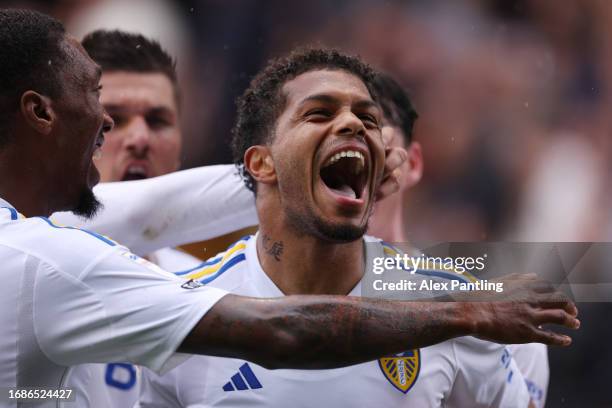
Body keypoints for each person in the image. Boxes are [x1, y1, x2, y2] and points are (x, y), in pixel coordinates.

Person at [0, 10, 577, 408]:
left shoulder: (467, 305)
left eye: (368, 120)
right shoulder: (76, 272)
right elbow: (286, 333)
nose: (114, 131)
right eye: (101, 104)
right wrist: (468, 311)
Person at [137, 48, 576, 407]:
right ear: (261, 162)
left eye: (368, 119)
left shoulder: (460, 312)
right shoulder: (189, 314)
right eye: (318, 113)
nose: (352, 124)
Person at [367, 72, 550, 407]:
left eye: (378, 152)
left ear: (414, 163)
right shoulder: (254, 296)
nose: (362, 173)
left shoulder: (501, 316)